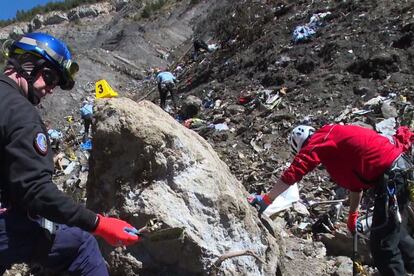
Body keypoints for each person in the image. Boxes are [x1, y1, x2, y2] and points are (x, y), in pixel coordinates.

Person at [0, 32, 140, 275]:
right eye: (50, 77)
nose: (51, 89)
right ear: (27, 64)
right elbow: (36, 191)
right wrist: (99, 223)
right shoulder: (20, 113)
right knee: (81, 244)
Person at [248, 124, 414, 275]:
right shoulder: (336, 142)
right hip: (398, 173)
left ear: (303, 145)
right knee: (394, 232)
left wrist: (267, 199)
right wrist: (352, 216)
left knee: (382, 246)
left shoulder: (322, 138)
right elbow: (355, 186)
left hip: (392, 179)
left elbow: (295, 171)